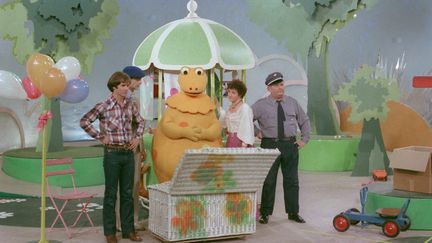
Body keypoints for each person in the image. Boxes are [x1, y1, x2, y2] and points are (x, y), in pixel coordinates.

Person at [80, 71, 144, 243]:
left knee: (127, 193)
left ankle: (128, 230)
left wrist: (137, 137)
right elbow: (84, 121)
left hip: (127, 154)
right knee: (110, 194)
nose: (126, 88)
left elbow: (141, 122)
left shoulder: (130, 105)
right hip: (112, 155)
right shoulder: (104, 105)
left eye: (127, 85)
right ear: (115, 87)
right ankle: (110, 233)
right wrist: (100, 137)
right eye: (123, 85)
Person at [252, 72, 311, 224]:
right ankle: (265, 213)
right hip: (269, 145)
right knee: (269, 180)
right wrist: (256, 131)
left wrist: (304, 139)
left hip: (290, 145)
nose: (280, 87)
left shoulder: (292, 103)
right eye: (277, 85)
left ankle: (293, 212)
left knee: (292, 180)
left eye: (282, 84)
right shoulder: (261, 105)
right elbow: (246, 118)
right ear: (269, 88)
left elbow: (304, 121)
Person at [115, 66, 146, 232]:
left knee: (134, 185)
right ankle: (121, 222)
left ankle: (133, 220)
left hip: (135, 147)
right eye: (138, 79)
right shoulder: (122, 99)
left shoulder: (134, 99)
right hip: (124, 146)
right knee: (124, 185)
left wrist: (141, 146)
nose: (140, 83)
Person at [218, 80, 254, 147]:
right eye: (228, 91)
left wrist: (244, 145)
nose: (229, 95)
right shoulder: (229, 108)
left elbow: (247, 128)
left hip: (241, 141)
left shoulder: (245, 108)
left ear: (240, 94)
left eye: (233, 92)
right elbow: (225, 125)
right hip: (230, 140)